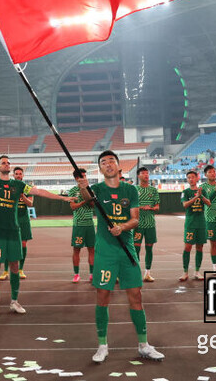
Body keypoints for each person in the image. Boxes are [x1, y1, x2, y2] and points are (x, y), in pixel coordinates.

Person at [74, 150, 164, 363]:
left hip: (127, 251)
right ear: (100, 169)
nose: (107, 164)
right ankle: (102, 345)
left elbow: (135, 219)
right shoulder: (95, 189)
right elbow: (88, 199)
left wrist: (122, 227)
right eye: (103, 162)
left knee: (136, 296)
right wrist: (82, 185)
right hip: (105, 252)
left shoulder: (130, 190)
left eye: (111, 161)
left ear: (118, 166)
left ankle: (144, 345)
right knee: (103, 297)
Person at [0, 155, 74, 316]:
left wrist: (62, 198)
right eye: (3, 162)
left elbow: (39, 191)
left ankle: (14, 301)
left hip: (14, 231)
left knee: (15, 266)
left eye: (8, 162)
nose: (6, 164)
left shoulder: (18, 184)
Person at [0, 166, 33, 280]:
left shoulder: (27, 188)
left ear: (23, 175)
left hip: (23, 219)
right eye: (16, 174)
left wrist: (22, 195)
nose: (18, 175)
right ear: (13, 175)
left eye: (20, 174)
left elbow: (30, 204)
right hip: (10, 219)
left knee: (23, 244)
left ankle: (20, 269)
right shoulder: (8, 186)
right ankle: (5, 271)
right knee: (7, 245)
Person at [63, 168, 95, 283]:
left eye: (85, 176)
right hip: (78, 224)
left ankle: (92, 274)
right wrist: (83, 202)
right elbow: (73, 207)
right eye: (82, 176)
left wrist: (87, 195)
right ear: (77, 178)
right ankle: (76, 274)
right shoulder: (72, 191)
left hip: (90, 223)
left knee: (92, 249)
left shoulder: (90, 190)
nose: (85, 178)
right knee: (77, 249)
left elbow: (92, 205)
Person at [179, 170, 208, 282]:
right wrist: (196, 197)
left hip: (201, 223)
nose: (191, 179)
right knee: (187, 247)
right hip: (190, 223)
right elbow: (185, 205)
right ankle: (185, 272)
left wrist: (202, 196)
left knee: (200, 247)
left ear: (197, 178)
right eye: (189, 177)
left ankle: (197, 271)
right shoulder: (185, 192)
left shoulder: (202, 191)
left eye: (192, 177)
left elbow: (209, 203)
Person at [133, 167, 160, 282]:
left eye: (147, 173)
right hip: (137, 224)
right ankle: (136, 273)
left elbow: (157, 207)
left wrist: (152, 208)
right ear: (138, 176)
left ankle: (147, 273)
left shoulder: (153, 190)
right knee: (136, 249)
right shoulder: (134, 189)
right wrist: (140, 207)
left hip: (150, 224)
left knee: (149, 249)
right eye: (143, 173)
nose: (146, 175)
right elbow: (131, 206)